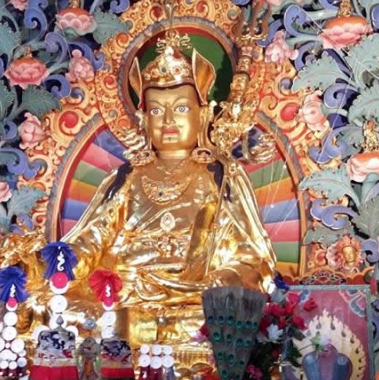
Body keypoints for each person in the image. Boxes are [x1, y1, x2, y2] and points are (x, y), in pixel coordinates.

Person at [61, 30, 277, 346]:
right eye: (157, 111)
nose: (168, 121)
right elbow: (90, 241)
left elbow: (251, 256)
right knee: (53, 307)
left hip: (190, 300)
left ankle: (137, 334)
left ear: (203, 114)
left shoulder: (220, 175)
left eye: (180, 108)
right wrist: (53, 265)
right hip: (123, 294)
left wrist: (219, 282)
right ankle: (127, 330)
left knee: (215, 315)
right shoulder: (126, 177)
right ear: (142, 118)